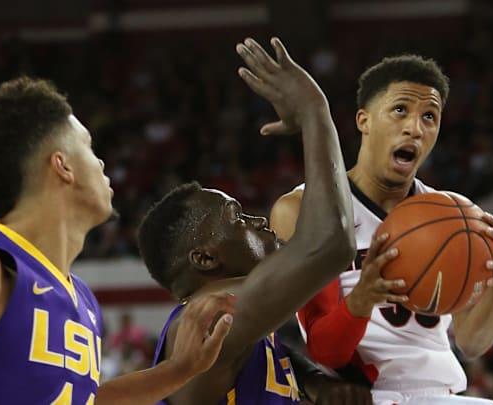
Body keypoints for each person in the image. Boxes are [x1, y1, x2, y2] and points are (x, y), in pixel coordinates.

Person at [0, 77, 235, 404]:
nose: (102, 162)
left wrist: (180, 369)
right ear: (62, 165)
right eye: (90, 147)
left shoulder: (82, 299)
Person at [139, 37, 374, 405]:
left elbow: (263, 348)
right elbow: (332, 243)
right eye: (239, 218)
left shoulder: (232, 320)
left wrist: (312, 380)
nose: (259, 221)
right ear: (205, 258)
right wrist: (315, 111)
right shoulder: (208, 314)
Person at [270, 55, 493, 404]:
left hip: (444, 395)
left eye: (429, 117)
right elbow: (325, 351)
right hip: (366, 395)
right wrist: (361, 300)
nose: (416, 128)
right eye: (400, 110)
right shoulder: (303, 209)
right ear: (364, 120)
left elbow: (473, 344)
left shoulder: (457, 214)